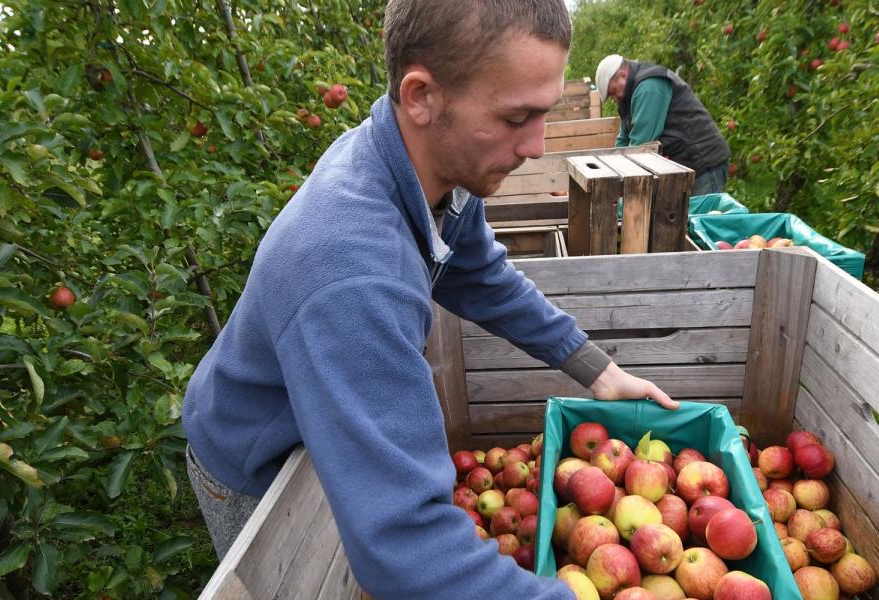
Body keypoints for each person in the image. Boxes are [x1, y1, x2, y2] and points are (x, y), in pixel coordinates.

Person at [181, 1, 678, 597]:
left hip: (330, 425)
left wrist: (595, 371)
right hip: (255, 472)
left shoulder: (427, 171)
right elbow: (403, 549)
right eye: (518, 116)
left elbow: (482, 275)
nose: (538, 146)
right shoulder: (355, 271)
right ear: (420, 96)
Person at [595, 54, 731, 196]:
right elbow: (624, 139)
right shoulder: (628, 96)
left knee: (702, 216)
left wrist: (621, 183)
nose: (615, 98)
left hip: (702, 162)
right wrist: (614, 171)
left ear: (622, 75)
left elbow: (641, 143)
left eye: (613, 92)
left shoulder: (649, 87)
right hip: (684, 165)